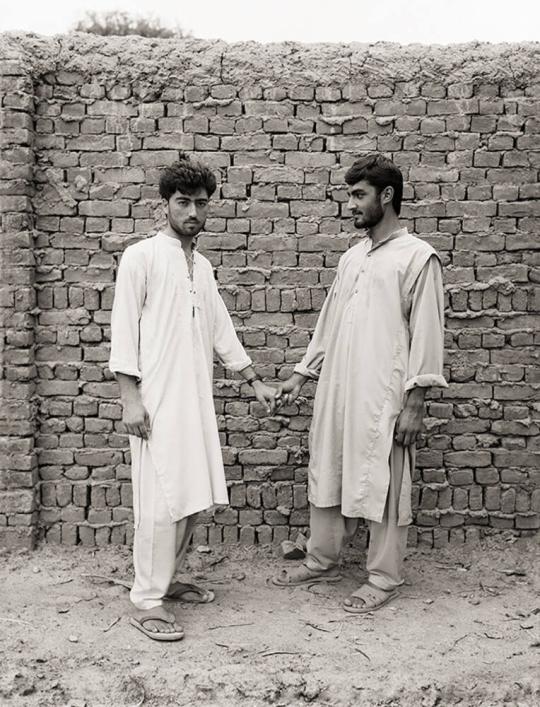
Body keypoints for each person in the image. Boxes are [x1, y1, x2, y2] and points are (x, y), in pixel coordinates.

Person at [109, 154, 276, 641]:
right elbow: (123, 331)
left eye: (201, 204)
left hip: (195, 400)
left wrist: (253, 382)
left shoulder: (200, 266)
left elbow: (221, 331)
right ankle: (146, 599)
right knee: (159, 502)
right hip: (155, 401)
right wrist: (129, 398)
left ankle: (167, 580)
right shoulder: (141, 257)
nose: (193, 212)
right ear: (166, 205)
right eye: (183, 202)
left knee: (190, 498)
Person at [272, 153, 447, 613]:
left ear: (386, 196)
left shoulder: (417, 258)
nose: (350, 204)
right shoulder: (352, 258)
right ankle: (322, 557)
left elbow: (428, 334)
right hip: (338, 388)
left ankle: (384, 575)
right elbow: (329, 324)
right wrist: (300, 375)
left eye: (358, 195)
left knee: (385, 482)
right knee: (328, 467)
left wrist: (415, 403)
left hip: (384, 394)